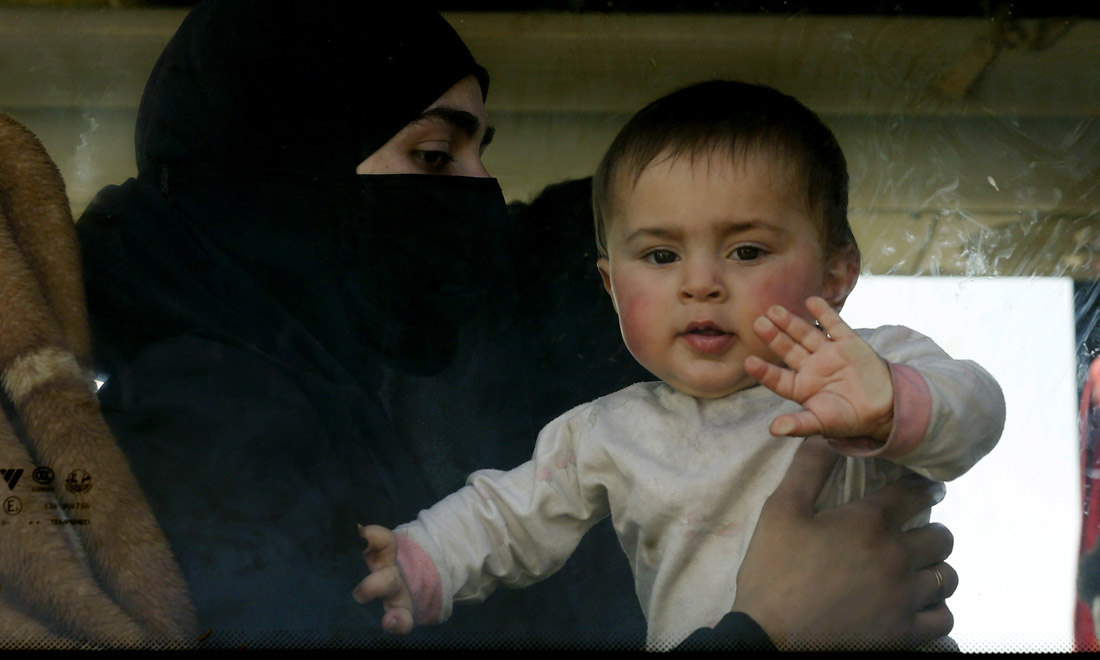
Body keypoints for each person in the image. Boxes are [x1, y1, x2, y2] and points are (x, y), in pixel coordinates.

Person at [74, 0, 961, 648]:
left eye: (747, 249)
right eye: (434, 154)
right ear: (281, 175)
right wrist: (772, 631)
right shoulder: (207, 432)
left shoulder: (335, 409)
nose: (483, 199)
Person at [354, 80, 1005, 650]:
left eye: (746, 251)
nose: (700, 284)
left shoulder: (863, 367)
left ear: (836, 274)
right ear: (611, 287)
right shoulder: (608, 431)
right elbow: (506, 515)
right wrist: (418, 561)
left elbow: (976, 405)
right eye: (661, 256)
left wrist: (892, 405)